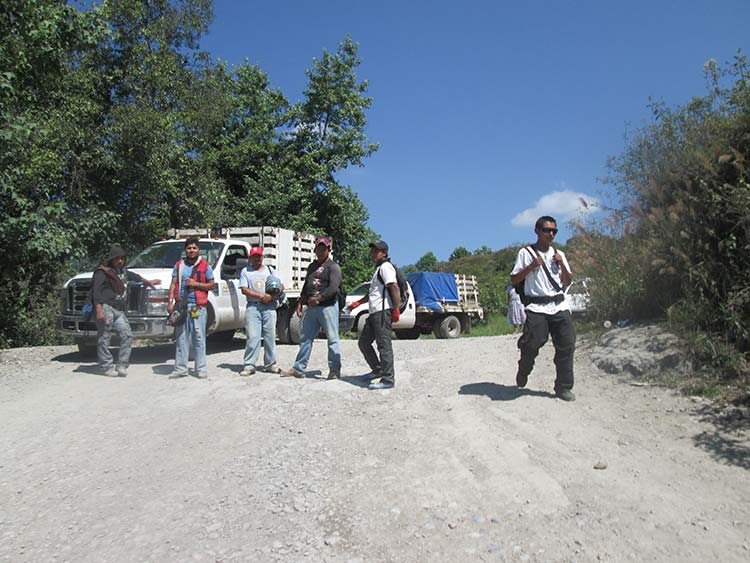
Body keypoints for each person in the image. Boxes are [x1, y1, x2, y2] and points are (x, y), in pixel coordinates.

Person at [510, 216, 576, 401]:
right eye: (547, 230)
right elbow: (514, 280)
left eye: (554, 231)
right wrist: (531, 266)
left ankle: (563, 387)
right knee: (533, 342)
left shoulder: (559, 254)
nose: (551, 234)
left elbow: (568, 280)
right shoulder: (526, 253)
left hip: (559, 305)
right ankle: (524, 368)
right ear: (537, 231)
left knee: (567, 344)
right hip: (537, 307)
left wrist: (561, 263)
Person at [92, 245, 159, 377]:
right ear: (111, 259)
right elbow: (96, 291)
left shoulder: (122, 271)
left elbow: (135, 276)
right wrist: (98, 309)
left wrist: (148, 282)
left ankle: (122, 365)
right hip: (106, 307)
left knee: (127, 335)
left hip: (118, 309)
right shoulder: (102, 272)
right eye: (117, 258)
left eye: (122, 258)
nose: (120, 261)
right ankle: (106, 366)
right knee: (104, 337)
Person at [283, 236, 343, 379]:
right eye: (319, 248)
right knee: (305, 338)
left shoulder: (333, 267)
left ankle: (334, 370)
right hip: (311, 307)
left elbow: (334, 288)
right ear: (315, 250)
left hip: (327, 307)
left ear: (329, 250)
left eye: (324, 248)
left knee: (332, 339)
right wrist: (300, 302)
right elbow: (306, 286)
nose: (321, 251)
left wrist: (319, 298)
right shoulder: (312, 266)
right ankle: (299, 368)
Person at [347, 240, 400, 390]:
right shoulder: (378, 270)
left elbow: (394, 287)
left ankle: (388, 380)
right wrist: (357, 303)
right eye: (372, 251)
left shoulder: (386, 267)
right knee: (363, 342)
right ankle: (378, 370)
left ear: (384, 253)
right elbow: (373, 293)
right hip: (374, 313)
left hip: (383, 312)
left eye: (376, 251)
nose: (372, 254)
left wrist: (395, 309)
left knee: (384, 346)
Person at [167, 237, 216, 379]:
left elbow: (212, 284)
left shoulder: (205, 266)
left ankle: (200, 368)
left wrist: (196, 284)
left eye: (194, 248)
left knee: (198, 336)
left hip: (197, 306)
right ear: (185, 250)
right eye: (189, 248)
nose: (191, 250)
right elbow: (173, 284)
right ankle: (180, 368)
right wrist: (170, 301)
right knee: (181, 337)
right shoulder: (179, 265)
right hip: (181, 307)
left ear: (198, 250)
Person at [238, 246, 282, 376]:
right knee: (253, 336)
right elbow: (244, 289)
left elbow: (280, 286)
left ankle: (270, 364)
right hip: (253, 306)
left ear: (262, 257)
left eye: (259, 256)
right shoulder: (245, 271)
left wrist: (272, 296)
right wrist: (261, 296)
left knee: (270, 336)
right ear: (250, 258)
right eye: (254, 256)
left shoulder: (270, 270)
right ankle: (249, 365)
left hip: (269, 307)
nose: (256, 259)